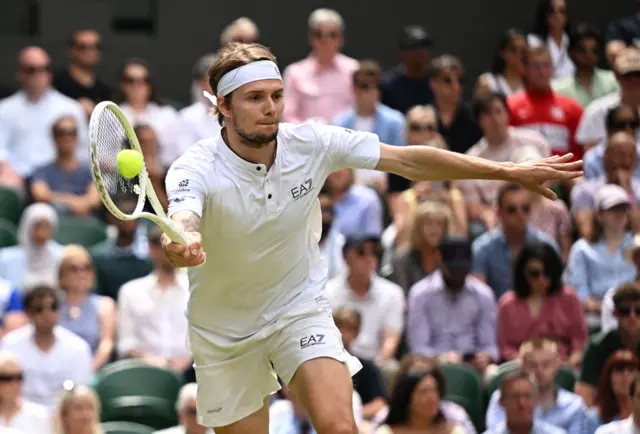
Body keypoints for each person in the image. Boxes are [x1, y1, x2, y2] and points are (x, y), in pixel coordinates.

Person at [162, 42, 582, 434]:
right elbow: (183, 219)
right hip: (225, 330)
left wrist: (508, 171)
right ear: (223, 105)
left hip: (296, 310)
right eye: (255, 98)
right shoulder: (194, 167)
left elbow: (408, 161)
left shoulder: (310, 142)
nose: (270, 108)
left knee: (342, 428)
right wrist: (182, 242)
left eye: (276, 95)